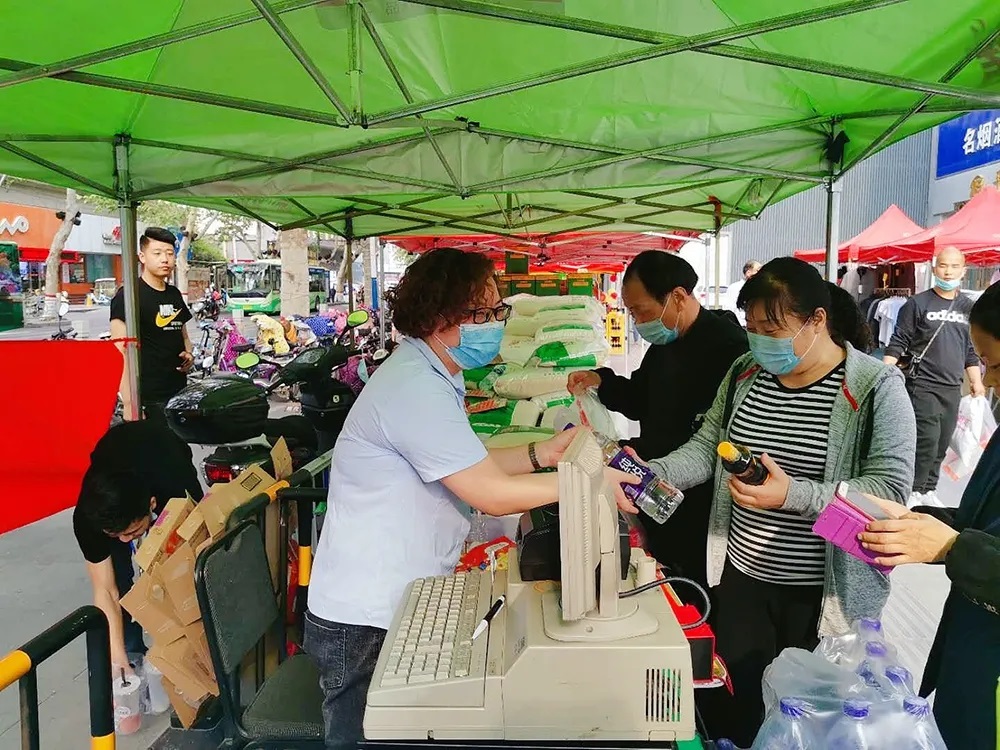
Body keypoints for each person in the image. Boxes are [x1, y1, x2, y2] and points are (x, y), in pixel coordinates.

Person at [304, 248, 639, 749]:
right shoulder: (414, 388)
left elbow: (467, 462)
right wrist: (590, 481)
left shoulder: (435, 373)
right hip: (365, 617)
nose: (496, 324)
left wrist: (542, 453)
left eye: (496, 310)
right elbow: (491, 494)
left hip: (389, 597)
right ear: (440, 317)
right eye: (484, 313)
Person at [645, 257, 915, 746]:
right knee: (740, 711)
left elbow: (889, 493)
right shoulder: (745, 372)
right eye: (751, 328)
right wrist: (653, 474)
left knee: (808, 725)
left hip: (822, 596)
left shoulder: (875, 388)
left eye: (772, 329)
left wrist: (792, 495)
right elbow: (708, 448)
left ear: (817, 320)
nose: (759, 340)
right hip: (743, 580)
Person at [860, 279, 1000, 750]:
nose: (989, 382)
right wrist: (922, 521)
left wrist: (952, 547)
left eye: (996, 365)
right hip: (973, 650)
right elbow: (987, 516)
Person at [567, 251, 748, 589]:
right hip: (655, 484)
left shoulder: (730, 351)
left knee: (694, 587)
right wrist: (602, 381)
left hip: (700, 505)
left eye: (642, 311)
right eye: (632, 313)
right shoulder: (665, 344)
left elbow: (710, 443)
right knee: (662, 576)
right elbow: (641, 400)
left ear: (677, 297)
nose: (637, 322)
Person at [73, 420, 204, 674]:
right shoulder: (88, 519)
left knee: (178, 569)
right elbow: (105, 591)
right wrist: (117, 660)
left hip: (163, 449)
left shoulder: (175, 489)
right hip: (113, 457)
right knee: (118, 578)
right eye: (117, 535)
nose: (126, 540)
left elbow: (198, 547)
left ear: (152, 505)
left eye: (132, 533)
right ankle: (131, 655)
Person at [883, 246, 985, 505]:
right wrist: (884, 371)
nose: (948, 271)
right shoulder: (917, 304)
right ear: (934, 268)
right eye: (943, 265)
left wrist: (976, 381)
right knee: (925, 441)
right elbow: (899, 340)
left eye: (954, 266)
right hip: (922, 385)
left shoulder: (968, 308)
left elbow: (970, 349)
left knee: (941, 442)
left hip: (952, 387)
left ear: (964, 270)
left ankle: (928, 490)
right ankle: (912, 491)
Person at [110, 226, 194, 422]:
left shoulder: (174, 294)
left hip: (178, 393)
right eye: (157, 253)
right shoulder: (128, 296)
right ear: (142, 257)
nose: (165, 259)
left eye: (170, 253)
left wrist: (189, 354)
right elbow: (119, 351)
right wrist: (130, 403)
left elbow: (184, 336)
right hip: (146, 398)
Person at [723, 259, 761, 326]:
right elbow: (730, 309)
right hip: (740, 326)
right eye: (758, 271)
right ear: (748, 273)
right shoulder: (735, 288)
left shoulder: (760, 289)